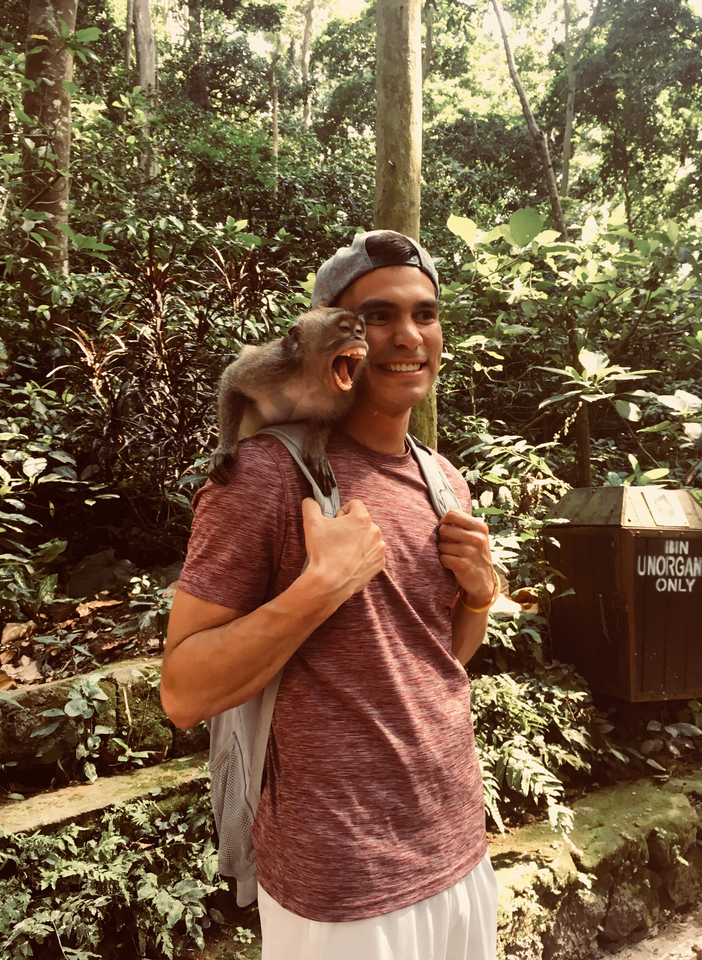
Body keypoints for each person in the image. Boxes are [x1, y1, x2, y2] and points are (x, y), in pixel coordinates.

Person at [160, 230, 498, 960]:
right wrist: (320, 589)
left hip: (461, 845)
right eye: (377, 316)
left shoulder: (443, 479)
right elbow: (182, 692)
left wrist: (475, 595)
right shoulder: (263, 476)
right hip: (341, 885)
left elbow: (443, 659)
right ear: (331, 337)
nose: (408, 335)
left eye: (426, 314)